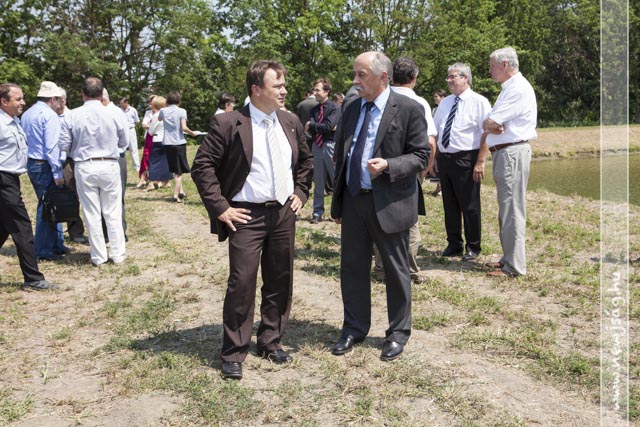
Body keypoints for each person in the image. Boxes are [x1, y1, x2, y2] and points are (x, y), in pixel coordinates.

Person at [191, 60, 312, 380]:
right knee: (242, 282)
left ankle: (270, 341)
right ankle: (233, 352)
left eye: (284, 85)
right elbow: (202, 167)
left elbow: (306, 161)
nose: (284, 90)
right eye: (277, 85)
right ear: (256, 89)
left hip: (283, 213)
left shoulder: (290, 121)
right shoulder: (229, 123)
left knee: (280, 279)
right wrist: (221, 207)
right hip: (245, 215)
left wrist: (301, 191)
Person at [330, 51, 429, 361]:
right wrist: (339, 200)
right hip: (355, 200)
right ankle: (354, 328)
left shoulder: (409, 109)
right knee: (352, 267)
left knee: (396, 270)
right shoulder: (350, 107)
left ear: (383, 77)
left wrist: (389, 165)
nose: (354, 81)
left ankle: (398, 333)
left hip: (390, 202)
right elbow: (342, 154)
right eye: (355, 74)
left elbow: (421, 156)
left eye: (361, 75)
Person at [473, 47, 537, 278]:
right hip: (506, 152)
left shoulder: (517, 89)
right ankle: (508, 258)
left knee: (512, 208)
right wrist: (490, 124)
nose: (489, 70)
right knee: (507, 207)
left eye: (492, 66)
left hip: (511, 152)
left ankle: (514, 267)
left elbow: (490, 122)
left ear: (505, 64)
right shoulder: (510, 88)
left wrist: (490, 124)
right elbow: (488, 123)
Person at [372, 56, 436, 284]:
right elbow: (429, 143)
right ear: (415, 78)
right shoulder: (418, 103)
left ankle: (381, 270)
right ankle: (409, 271)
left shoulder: (379, 99)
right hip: (408, 169)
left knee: (381, 217)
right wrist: (424, 171)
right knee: (409, 223)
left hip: (379, 168)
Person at [59, 77, 128, 266]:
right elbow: (124, 142)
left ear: (83, 93)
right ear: (102, 93)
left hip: (85, 165)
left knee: (91, 212)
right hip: (109, 163)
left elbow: (64, 144)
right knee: (113, 211)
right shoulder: (114, 113)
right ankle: (118, 253)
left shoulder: (72, 115)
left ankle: (98, 255)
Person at [0, 83, 59, 290]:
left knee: (4, 227)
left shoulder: (14, 121)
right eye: (18, 99)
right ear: (3, 101)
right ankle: (33, 278)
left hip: (11, 179)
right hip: (3, 180)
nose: (23, 102)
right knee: (22, 227)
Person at [432, 63, 491, 262]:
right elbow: (437, 131)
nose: (449, 80)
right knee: (449, 203)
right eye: (448, 77)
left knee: (470, 205)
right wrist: (436, 157)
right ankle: (454, 243)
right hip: (445, 158)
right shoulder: (445, 103)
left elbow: (486, 133)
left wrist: (480, 161)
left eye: (453, 77)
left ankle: (473, 246)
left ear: (465, 78)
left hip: (466, 158)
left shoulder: (479, 102)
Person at [21, 81, 67, 261]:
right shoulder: (50, 115)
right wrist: (57, 172)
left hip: (32, 163)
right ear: (53, 99)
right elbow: (51, 147)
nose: (60, 104)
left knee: (49, 203)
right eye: (59, 100)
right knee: (47, 206)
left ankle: (56, 244)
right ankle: (43, 249)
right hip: (45, 164)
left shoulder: (27, 113)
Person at [305, 78, 340, 223]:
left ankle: (339, 211)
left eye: (317, 90)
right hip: (317, 146)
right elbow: (321, 127)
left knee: (336, 179)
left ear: (326, 91)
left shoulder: (335, 108)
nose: (315, 92)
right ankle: (317, 212)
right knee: (318, 181)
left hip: (330, 145)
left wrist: (313, 126)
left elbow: (328, 126)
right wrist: (321, 127)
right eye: (314, 90)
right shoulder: (314, 109)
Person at [56, 88, 87, 244]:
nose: (57, 102)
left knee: (83, 195)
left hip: (73, 159)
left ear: (64, 100)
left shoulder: (73, 116)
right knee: (69, 196)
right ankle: (73, 229)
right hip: (59, 161)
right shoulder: (50, 117)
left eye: (59, 98)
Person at [158, 90, 198, 203]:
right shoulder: (182, 111)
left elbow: (159, 119)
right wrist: (192, 133)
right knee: (179, 172)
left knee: (174, 169)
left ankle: (181, 191)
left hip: (167, 143)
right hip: (178, 143)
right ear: (179, 100)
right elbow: (184, 127)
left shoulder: (163, 111)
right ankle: (176, 195)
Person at [103, 89, 130, 239]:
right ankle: (105, 232)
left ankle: (119, 231)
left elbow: (124, 141)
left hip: (116, 158)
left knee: (117, 197)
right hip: (101, 160)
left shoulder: (117, 113)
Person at [145, 96, 172, 190]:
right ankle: (166, 181)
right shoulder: (169, 115)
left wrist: (150, 128)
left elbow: (151, 131)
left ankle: (151, 183)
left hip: (158, 139)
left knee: (153, 162)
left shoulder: (156, 115)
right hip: (168, 140)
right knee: (166, 161)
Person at [137, 95, 156, 189]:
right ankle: (143, 178)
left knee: (156, 159)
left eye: (151, 103)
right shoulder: (148, 112)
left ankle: (159, 180)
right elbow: (144, 124)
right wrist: (152, 126)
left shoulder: (162, 112)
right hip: (148, 137)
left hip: (158, 138)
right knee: (145, 157)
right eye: (148, 104)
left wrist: (149, 125)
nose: (149, 105)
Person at [118, 97, 141, 173]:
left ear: (126, 102)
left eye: (122, 103)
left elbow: (137, 121)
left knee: (133, 148)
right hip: (122, 131)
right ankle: (120, 165)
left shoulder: (133, 110)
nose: (121, 105)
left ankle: (137, 166)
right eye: (120, 104)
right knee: (121, 149)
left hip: (131, 130)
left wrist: (131, 127)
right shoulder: (119, 110)